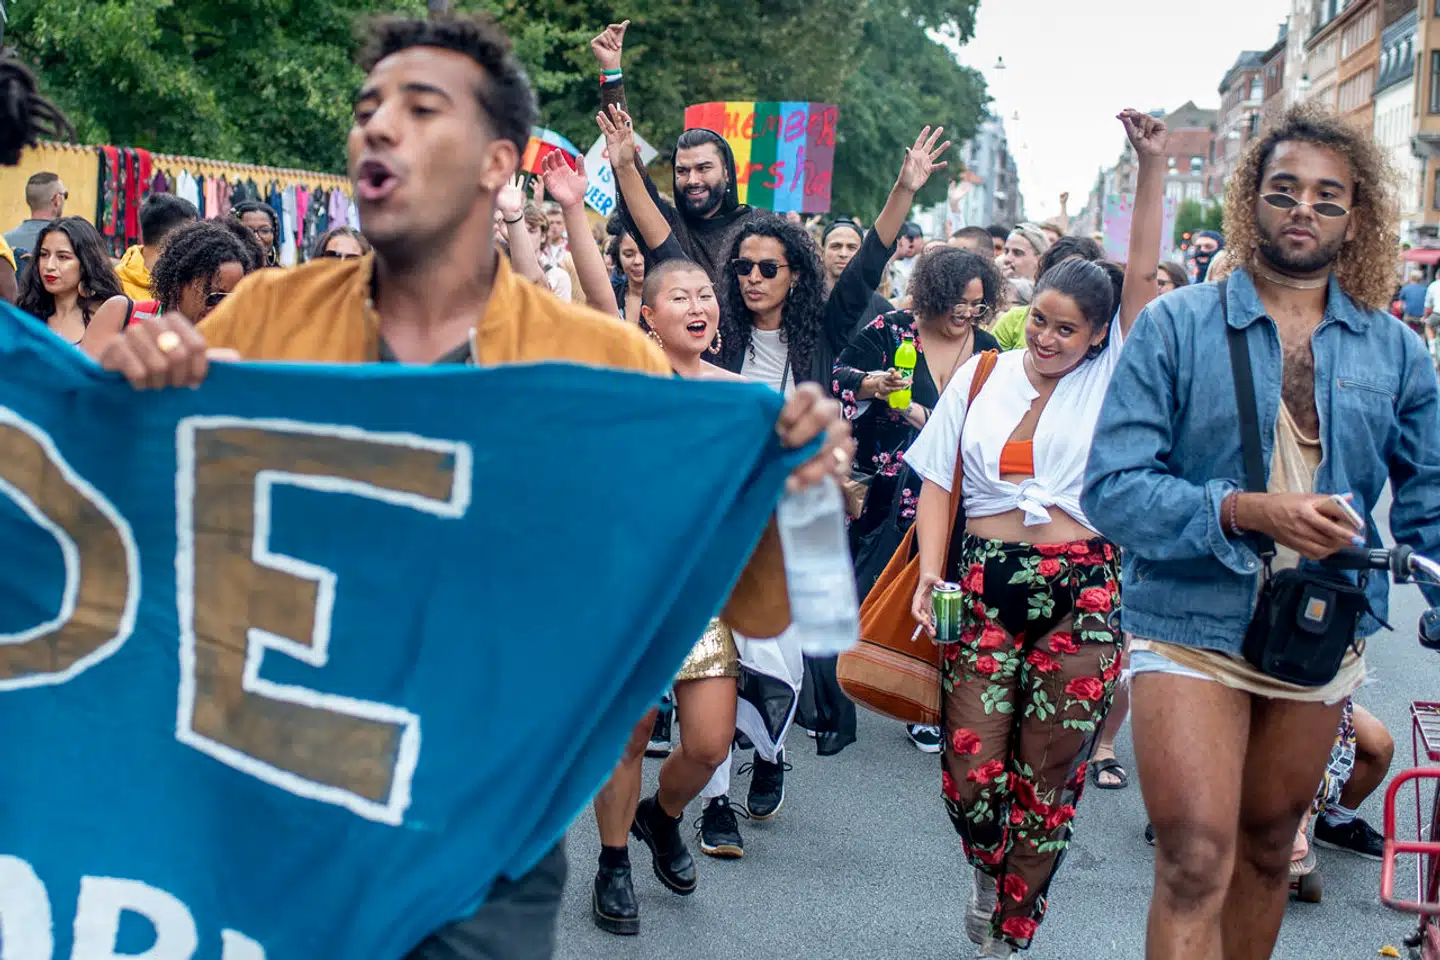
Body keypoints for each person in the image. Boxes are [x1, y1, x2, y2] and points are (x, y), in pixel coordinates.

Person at [94, 15, 851, 960]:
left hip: (482, 821)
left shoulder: (601, 359)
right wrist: (128, 399)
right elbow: (129, 534)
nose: (378, 128)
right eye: (368, 110)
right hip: (277, 793)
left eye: (419, 110)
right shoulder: (262, 321)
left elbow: (749, 591)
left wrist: (794, 485)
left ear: (500, 164)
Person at [1082, 102, 1440, 960]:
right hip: (1189, 621)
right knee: (1196, 857)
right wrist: (1243, 510)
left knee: (1271, 849)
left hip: (1318, 633)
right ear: (1253, 202)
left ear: (1356, 216)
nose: (1304, 209)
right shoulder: (1178, 325)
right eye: (1285, 191)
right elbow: (1111, 489)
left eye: (1327, 195)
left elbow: (1428, 506)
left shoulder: (1397, 352)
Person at [904, 108, 1164, 958]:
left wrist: (1151, 168)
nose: (1048, 339)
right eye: (1040, 320)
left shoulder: (1110, 379)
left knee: (1050, 770)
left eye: (1067, 330)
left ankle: (1012, 926)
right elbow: (938, 479)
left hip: (1082, 587)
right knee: (971, 770)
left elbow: (1142, 273)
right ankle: (989, 866)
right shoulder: (983, 372)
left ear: (1097, 338)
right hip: (980, 581)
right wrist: (927, 574)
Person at [588, 259, 745, 937]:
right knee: (630, 732)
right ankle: (614, 860)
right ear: (649, 316)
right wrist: (562, 210)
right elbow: (597, 298)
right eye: (679, 296)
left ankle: (663, 816)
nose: (697, 304)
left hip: (702, 595)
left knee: (709, 746)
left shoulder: (740, 395)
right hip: (626, 591)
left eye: (706, 294)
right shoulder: (631, 381)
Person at [834, 247, 1003, 756]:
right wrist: (874, 384)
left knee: (946, 592)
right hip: (886, 489)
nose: (967, 315)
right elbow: (836, 376)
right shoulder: (891, 330)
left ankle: (930, 702)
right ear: (934, 293)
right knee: (865, 589)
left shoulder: (990, 350)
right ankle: (841, 681)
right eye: (958, 303)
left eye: (977, 306)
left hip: (955, 494)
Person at [592, 20, 762, 281]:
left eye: (703, 168)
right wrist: (611, 74)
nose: (692, 180)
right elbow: (629, 166)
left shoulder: (757, 229)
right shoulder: (665, 226)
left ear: (727, 172)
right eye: (682, 170)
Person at [81, 219, 256, 358]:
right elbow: (86, 385)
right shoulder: (121, 314)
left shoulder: (235, 343)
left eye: (233, 299)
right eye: (214, 296)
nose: (223, 307)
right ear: (177, 285)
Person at [16, 216, 128, 346]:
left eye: (63, 257)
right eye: (44, 255)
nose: (49, 266)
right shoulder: (26, 314)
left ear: (86, 263)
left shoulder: (107, 317)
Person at [990, 235, 1104, 350]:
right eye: (1039, 320)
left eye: (1066, 330)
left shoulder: (1098, 335)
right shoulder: (1014, 320)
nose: (1044, 341)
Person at [115, 194, 200, 300]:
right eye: (192, 234)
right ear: (174, 237)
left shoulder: (115, 280)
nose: (196, 241)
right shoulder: (182, 287)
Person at [821, 218, 892, 329]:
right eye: (836, 246)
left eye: (851, 247)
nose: (843, 254)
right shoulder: (804, 300)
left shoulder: (880, 307)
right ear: (822, 251)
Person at [6, 170, 66, 265]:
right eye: (65, 195)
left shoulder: (4, 242)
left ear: (27, 200)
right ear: (57, 200)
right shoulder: (71, 242)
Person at [607, 216, 646, 322]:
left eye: (644, 253)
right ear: (618, 256)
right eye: (628, 255)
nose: (637, 261)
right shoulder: (611, 296)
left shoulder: (671, 300)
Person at [232, 200, 280, 267]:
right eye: (248, 230)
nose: (256, 237)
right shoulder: (226, 274)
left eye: (264, 230)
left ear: (274, 234)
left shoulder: (284, 275)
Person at [1398, 267, 1428, 337]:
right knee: (1421, 335)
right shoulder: (1424, 289)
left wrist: (1401, 311)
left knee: (1405, 333)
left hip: (1409, 315)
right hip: (1421, 316)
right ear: (1420, 279)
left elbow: (1400, 305)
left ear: (1410, 277)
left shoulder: (1405, 288)